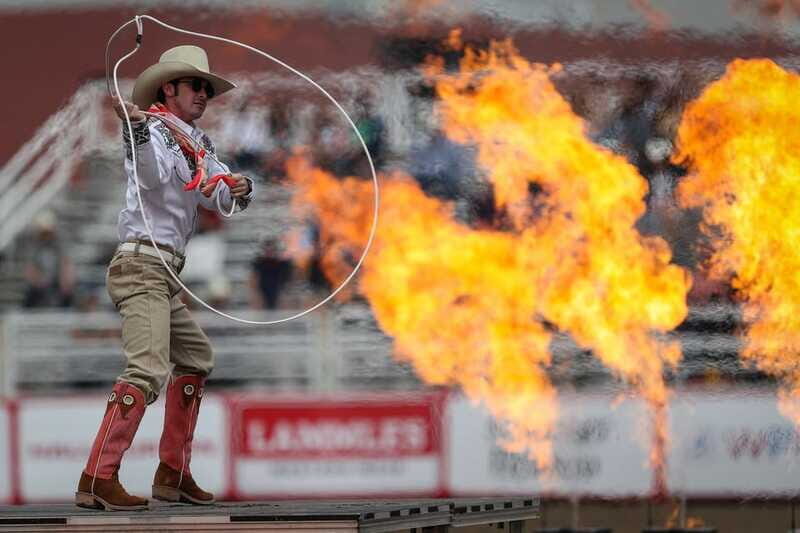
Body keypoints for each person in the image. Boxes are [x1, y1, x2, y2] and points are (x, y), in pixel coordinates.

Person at [75, 45, 254, 511]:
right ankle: (98, 476)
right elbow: (153, 180)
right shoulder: (150, 128)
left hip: (162, 271)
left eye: (207, 89)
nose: (204, 95)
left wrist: (239, 186)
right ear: (169, 88)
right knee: (148, 369)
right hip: (142, 266)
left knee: (195, 357)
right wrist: (133, 128)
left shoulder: (197, 142)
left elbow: (218, 198)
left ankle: (171, 473)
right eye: (196, 86)